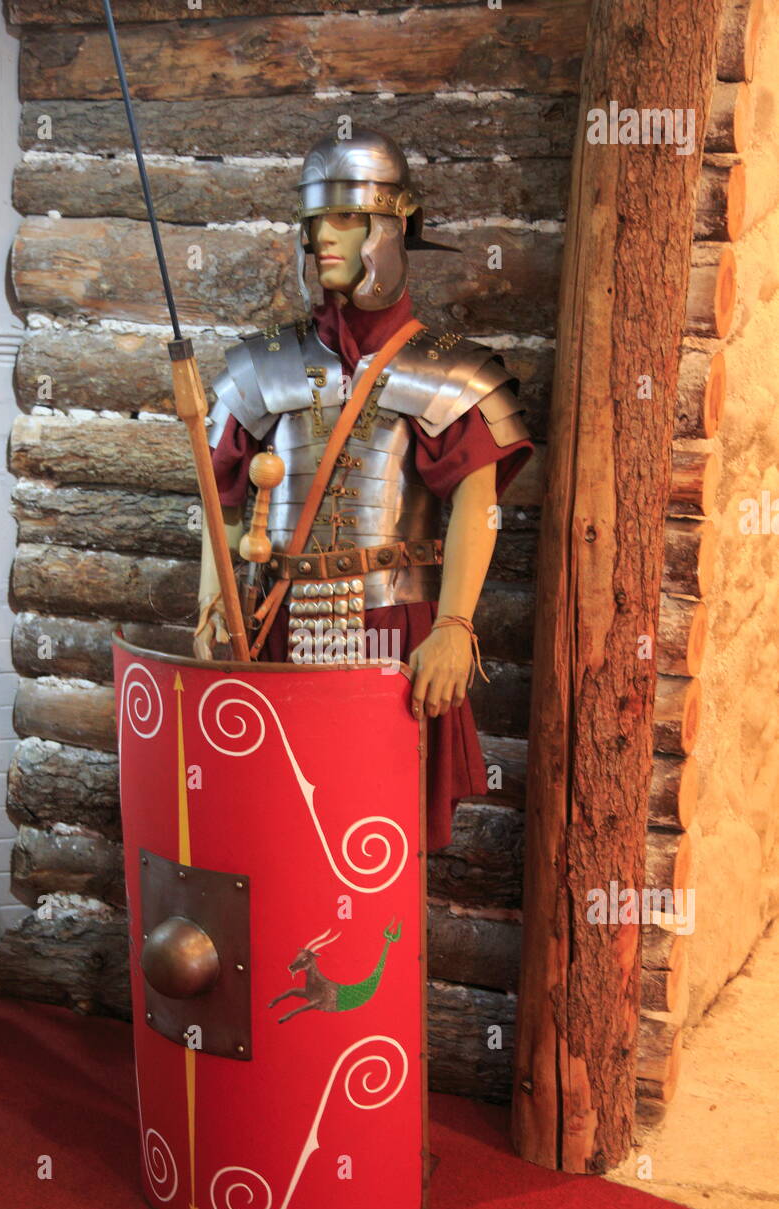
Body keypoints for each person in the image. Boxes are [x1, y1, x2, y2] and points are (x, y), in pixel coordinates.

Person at [195, 128, 534, 851]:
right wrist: (213, 607)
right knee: (277, 829)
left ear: (392, 227)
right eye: (315, 220)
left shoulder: (453, 372)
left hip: (395, 628)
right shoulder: (262, 366)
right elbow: (220, 493)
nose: (323, 237)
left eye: (346, 218)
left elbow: (479, 503)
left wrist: (453, 628)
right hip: (274, 625)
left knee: (379, 829)